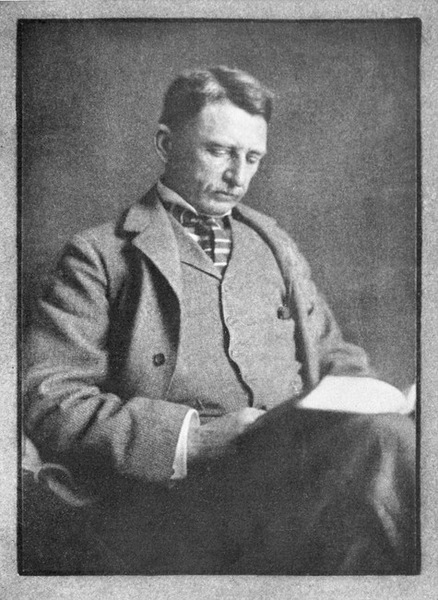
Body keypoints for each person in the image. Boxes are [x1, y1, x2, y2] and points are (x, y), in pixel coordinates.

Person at [24, 66, 416, 575]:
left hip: (299, 477)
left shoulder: (275, 245)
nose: (238, 176)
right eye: (219, 151)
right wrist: (192, 439)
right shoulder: (99, 255)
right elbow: (50, 400)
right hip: (177, 501)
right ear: (166, 143)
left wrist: (375, 397)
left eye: (252, 158)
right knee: (387, 449)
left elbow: (335, 358)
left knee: (393, 436)